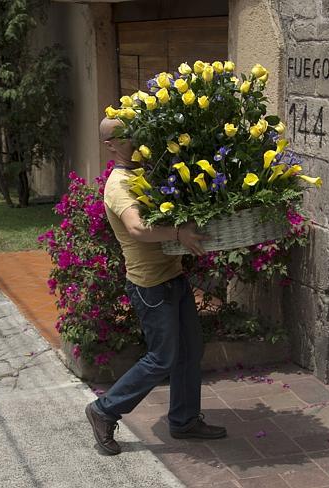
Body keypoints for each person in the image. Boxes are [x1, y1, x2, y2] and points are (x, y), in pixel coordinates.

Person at [84, 117, 227, 455]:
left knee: (190, 350)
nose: (135, 138)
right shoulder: (118, 184)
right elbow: (135, 228)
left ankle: (184, 420)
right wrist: (179, 234)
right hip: (149, 286)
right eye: (127, 134)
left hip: (172, 276)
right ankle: (104, 410)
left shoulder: (145, 172)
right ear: (111, 144)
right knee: (162, 358)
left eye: (135, 131)